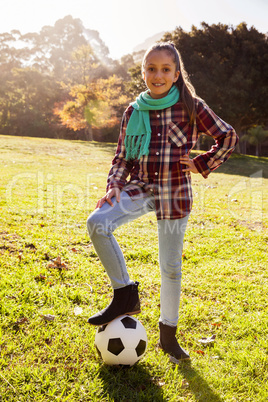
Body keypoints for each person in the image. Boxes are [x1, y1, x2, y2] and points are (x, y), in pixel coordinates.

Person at [87, 42, 238, 361]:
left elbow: (228, 137)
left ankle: (168, 337)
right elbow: (123, 156)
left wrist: (201, 163)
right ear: (143, 72)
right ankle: (125, 293)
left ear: (176, 73)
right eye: (151, 69)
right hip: (140, 187)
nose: (157, 75)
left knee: (170, 267)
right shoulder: (134, 110)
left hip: (174, 192)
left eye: (165, 69)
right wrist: (115, 184)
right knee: (97, 223)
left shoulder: (191, 106)